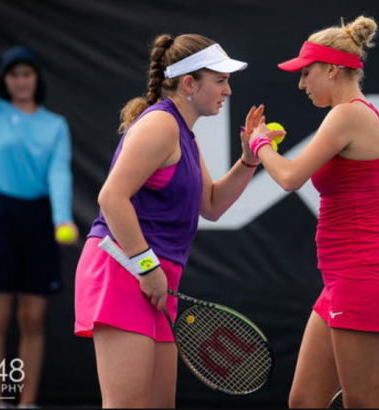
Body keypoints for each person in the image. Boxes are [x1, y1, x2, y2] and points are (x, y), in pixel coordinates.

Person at [73, 34, 280, 408]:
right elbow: (111, 198)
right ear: (189, 84)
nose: (228, 91)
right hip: (124, 268)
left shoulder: (185, 136)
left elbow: (212, 205)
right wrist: (146, 264)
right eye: (220, 81)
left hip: (156, 278)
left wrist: (249, 160)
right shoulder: (160, 126)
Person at [244, 16, 379, 408]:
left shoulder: (346, 115)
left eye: (306, 73)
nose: (301, 84)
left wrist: (260, 143)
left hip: (362, 278)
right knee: (304, 402)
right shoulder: (371, 119)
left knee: (362, 404)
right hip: (343, 280)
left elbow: (290, 178)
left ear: (332, 69)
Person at [0, 0, 78, 407]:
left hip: (39, 220)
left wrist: (62, 219)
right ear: (4, 80)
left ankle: (27, 402)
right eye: (13, 74)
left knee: (32, 319)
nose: (20, 80)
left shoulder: (55, 125)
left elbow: (59, 173)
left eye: (26, 73)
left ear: (36, 78)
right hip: (0, 216)